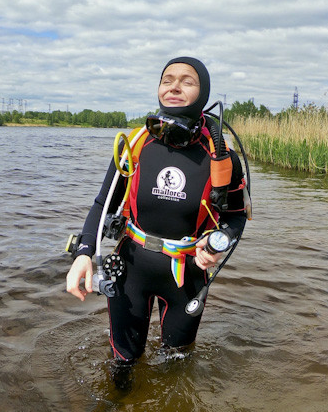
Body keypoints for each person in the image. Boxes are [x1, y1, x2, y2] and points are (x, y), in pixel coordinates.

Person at [66, 56, 248, 371]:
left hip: (188, 273)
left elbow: (236, 216)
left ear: (203, 93)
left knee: (177, 364)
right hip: (131, 266)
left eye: (187, 81)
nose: (174, 86)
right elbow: (103, 204)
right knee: (122, 362)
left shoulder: (221, 156)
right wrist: (84, 253)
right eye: (167, 79)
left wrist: (219, 242)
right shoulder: (134, 144)